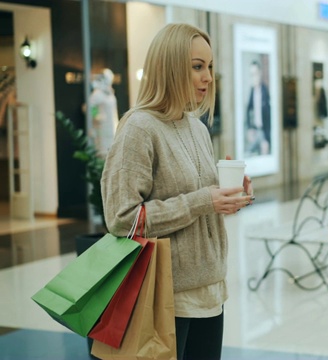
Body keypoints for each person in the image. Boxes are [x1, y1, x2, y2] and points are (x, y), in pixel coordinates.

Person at [101, 23, 254, 360]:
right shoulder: (138, 128)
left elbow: (199, 200)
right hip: (162, 295)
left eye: (210, 67)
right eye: (197, 67)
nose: (208, 78)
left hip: (210, 291)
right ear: (169, 67)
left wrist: (228, 195)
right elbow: (122, 219)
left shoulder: (197, 128)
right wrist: (204, 200)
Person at [245, 59, 271, 155]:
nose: (254, 78)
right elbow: (248, 110)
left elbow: (269, 116)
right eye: (251, 75)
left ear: (260, 73)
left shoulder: (265, 91)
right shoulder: (252, 91)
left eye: (255, 74)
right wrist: (249, 128)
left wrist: (267, 139)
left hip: (263, 132)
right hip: (255, 131)